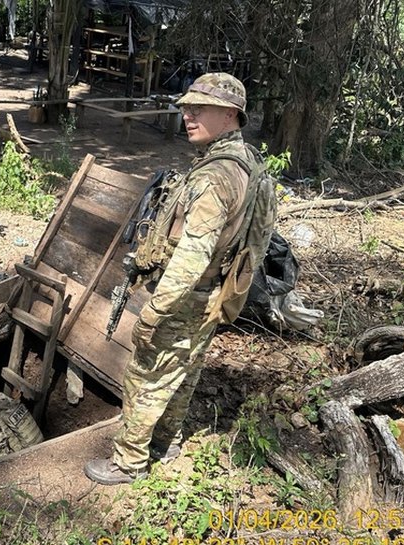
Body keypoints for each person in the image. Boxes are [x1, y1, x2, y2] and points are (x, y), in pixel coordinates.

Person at [85, 73, 260, 485]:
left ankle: (128, 462)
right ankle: (168, 441)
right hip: (213, 292)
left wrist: (155, 310)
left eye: (200, 107)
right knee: (184, 371)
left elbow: (192, 255)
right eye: (186, 105)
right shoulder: (247, 163)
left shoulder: (214, 178)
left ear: (231, 114)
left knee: (146, 375)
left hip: (186, 294)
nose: (187, 113)